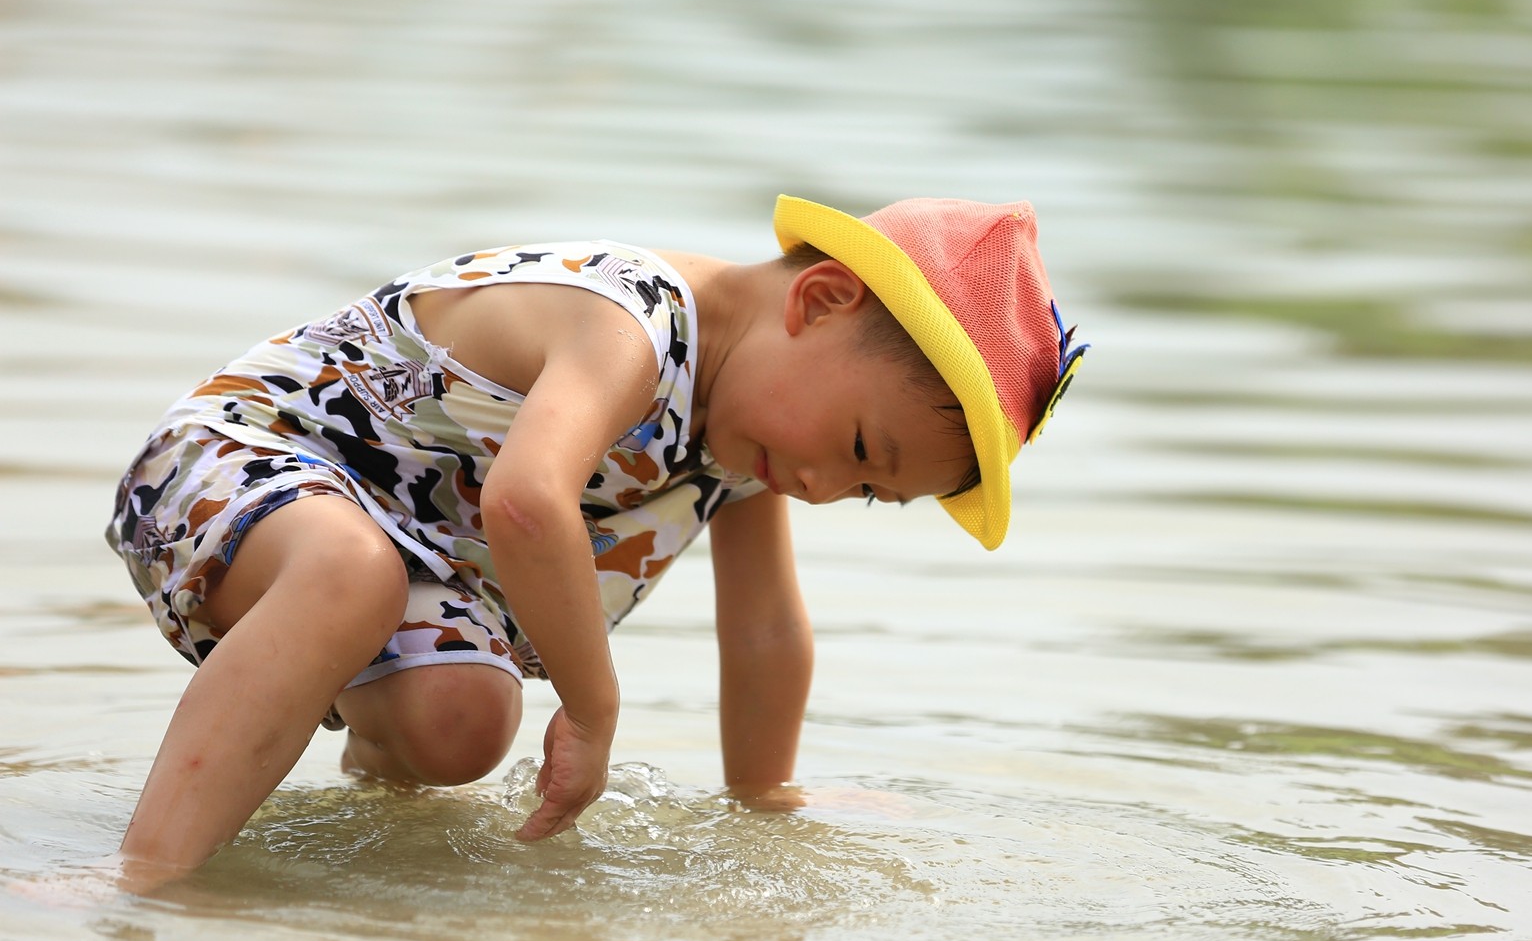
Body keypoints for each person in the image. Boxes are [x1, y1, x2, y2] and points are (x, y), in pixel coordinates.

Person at [102, 195, 1087, 891]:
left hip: (402, 550)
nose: (827, 486)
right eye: (861, 447)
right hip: (235, 462)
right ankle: (143, 875)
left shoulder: (749, 440)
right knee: (349, 578)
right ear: (820, 301)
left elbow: (764, 633)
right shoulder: (634, 325)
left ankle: (357, 791)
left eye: (870, 492)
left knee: (463, 724)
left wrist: (766, 794)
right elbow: (528, 502)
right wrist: (594, 709)